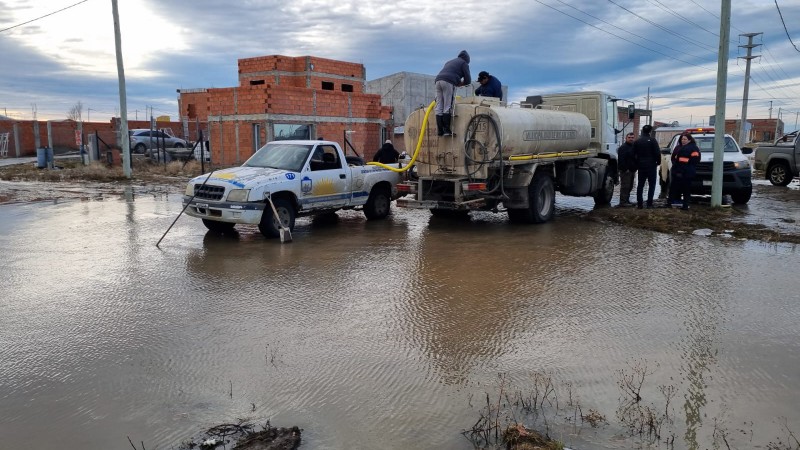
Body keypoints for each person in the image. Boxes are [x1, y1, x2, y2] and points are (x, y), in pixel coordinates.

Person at [434, 50, 471, 137]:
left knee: (439, 106)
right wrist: (460, 84)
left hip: (438, 81)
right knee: (447, 105)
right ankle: (447, 130)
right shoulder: (464, 63)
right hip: (448, 82)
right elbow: (468, 80)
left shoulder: (449, 62)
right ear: (467, 59)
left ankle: (440, 131)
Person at [668, 133, 700, 210]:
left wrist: (678, 172)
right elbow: (696, 160)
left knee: (674, 188)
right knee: (687, 190)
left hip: (682, 172)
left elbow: (682, 161)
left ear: (689, 140)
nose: (683, 141)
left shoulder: (685, 149)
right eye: (682, 139)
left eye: (685, 139)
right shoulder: (695, 148)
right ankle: (685, 205)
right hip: (690, 171)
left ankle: (671, 203)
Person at [632, 124, 661, 208]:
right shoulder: (653, 140)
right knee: (651, 185)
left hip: (641, 166)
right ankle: (649, 203)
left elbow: (633, 154)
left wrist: (637, 163)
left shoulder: (637, 141)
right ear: (650, 131)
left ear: (642, 131)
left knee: (640, 184)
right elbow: (657, 153)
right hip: (651, 165)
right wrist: (658, 162)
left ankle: (640, 204)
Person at [617, 132, 637, 206]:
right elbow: (621, 160)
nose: (631, 139)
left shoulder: (634, 147)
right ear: (626, 138)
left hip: (632, 170)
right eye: (629, 137)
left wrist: (635, 168)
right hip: (625, 171)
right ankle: (623, 202)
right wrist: (625, 169)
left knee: (630, 186)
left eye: (632, 137)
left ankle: (627, 200)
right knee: (625, 186)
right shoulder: (623, 148)